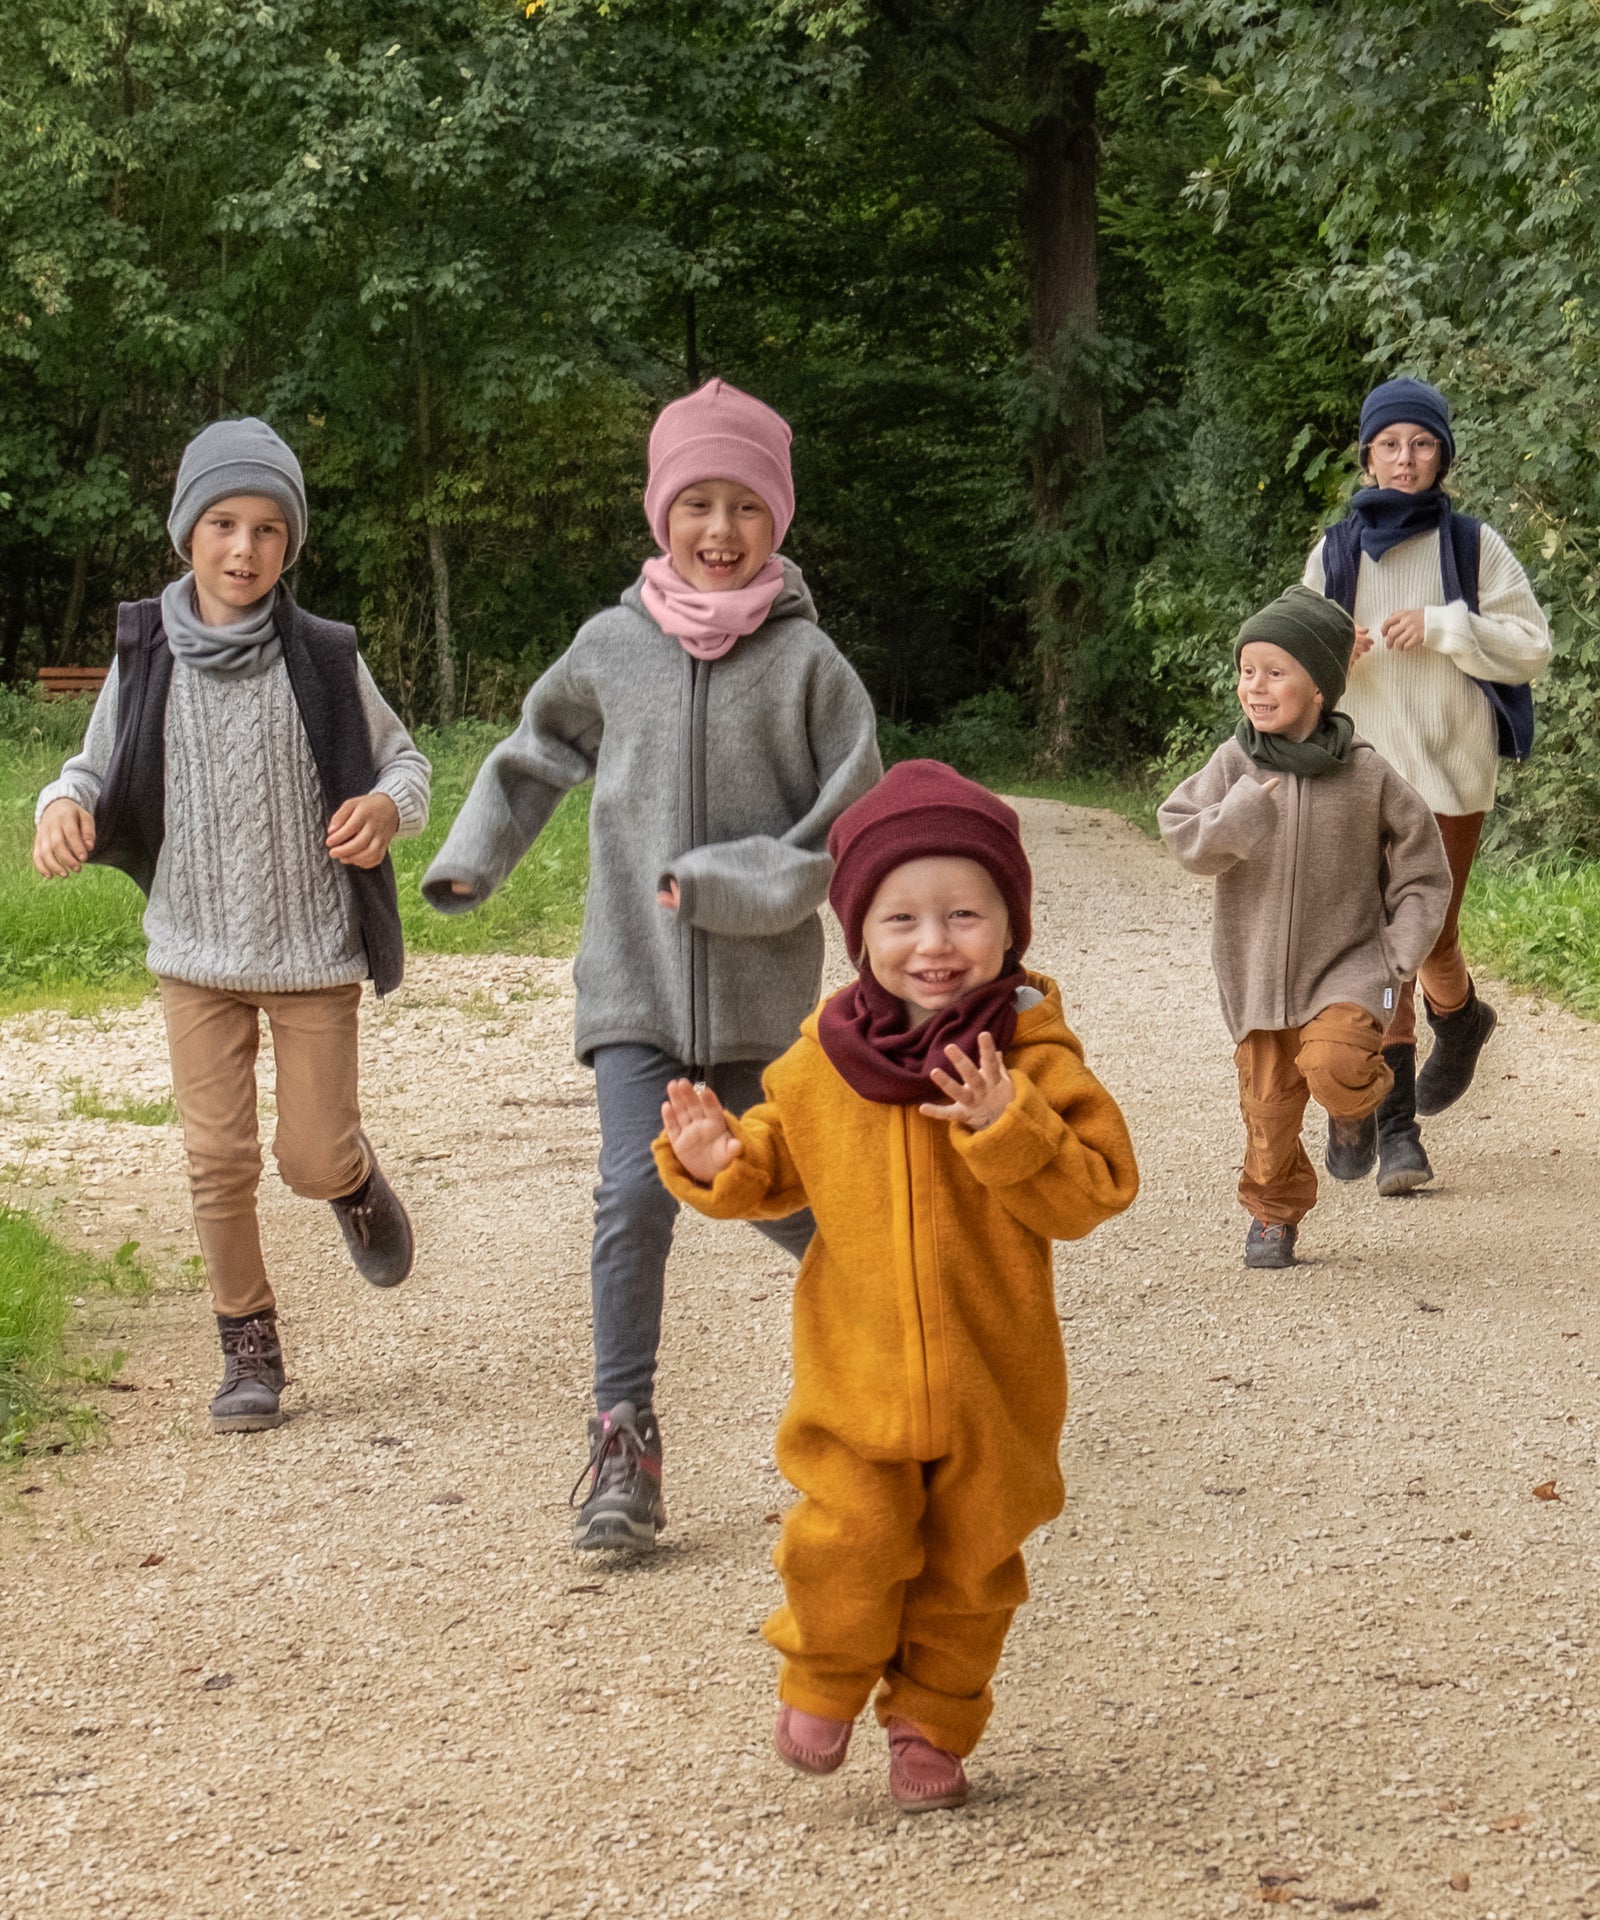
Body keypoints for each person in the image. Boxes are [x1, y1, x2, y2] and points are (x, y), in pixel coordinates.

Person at [422, 378, 881, 1552]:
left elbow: (846, 827)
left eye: (744, 508)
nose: (719, 532)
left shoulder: (810, 667)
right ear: (658, 513)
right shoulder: (611, 647)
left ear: (779, 521)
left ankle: (900, 1351)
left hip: (760, 1003)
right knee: (636, 1192)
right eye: (697, 505)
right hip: (630, 989)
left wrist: (730, 885)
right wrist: (474, 857)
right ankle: (623, 1442)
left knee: (794, 1205)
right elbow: (533, 755)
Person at [653, 761, 1138, 1810]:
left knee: (970, 1566)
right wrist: (713, 1158)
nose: (934, 943)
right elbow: (773, 1165)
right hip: (856, 1370)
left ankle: (933, 1722)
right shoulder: (826, 1058)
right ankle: (826, 1677)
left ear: (1009, 928)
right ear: (857, 935)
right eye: (901, 918)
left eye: (965, 914)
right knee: (846, 1537)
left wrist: (1006, 1125)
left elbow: (1095, 1190)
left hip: (992, 1386)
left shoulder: (1032, 1053)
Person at [33, 417, 431, 1433]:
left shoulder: (324, 658)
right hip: (194, 953)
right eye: (222, 524)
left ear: (288, 545)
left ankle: (348, 1179)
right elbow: (90, 769)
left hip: (309, 954)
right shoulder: (145, 651)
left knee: (306, 1155)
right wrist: (60, 809)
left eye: (266, 529)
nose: (243, 549)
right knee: (216, 1159)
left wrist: (386, 812)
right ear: (186, 533)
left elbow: (407, 766)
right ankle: (246, 1341)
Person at [1305, 376, 1551, 1192]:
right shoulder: (1336, 551)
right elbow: (1292, 655)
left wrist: (1447, 627)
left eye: (1420, 444)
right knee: (1389, 944)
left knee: (1433, 937)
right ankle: (1397, 1128)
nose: (1404, 458)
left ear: (1441, 454)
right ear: (1367, 456)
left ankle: (1464, 1018)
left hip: (1450, 772)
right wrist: (1329, 654)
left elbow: (1530, 647)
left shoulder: (1473, 546)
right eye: (1389, 445)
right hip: (1360, 777)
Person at [1160, 588, 1452, 1268]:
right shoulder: (1233, 764)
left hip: (1361, 971)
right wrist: (1233, 819)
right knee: (1267, 1112)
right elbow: (1184, 838)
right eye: (1246, 670)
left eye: (1274, 671)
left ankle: (1354, 1108)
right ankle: (1271, 1214)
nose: (1253, 686)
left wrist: (1399, 955)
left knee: (1337, 1062)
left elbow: (1424, 870)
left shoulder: (1368, 772)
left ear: (1319, 684)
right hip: (1257, 979)